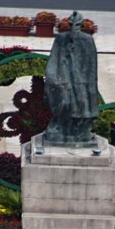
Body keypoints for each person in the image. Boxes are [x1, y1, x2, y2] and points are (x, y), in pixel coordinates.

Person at [43, 11, 99, 146]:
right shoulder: (61, 39)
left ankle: (79, 131)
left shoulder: (87, 40)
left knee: (81, 103)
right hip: (64, 78)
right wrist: (54, 79)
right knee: (63, 99)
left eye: (77, 24)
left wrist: (86, 83)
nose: (74, 27)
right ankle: (62, 128)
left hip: (82, 80)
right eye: (72, 24)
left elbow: (91, 64)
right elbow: (53, 61)